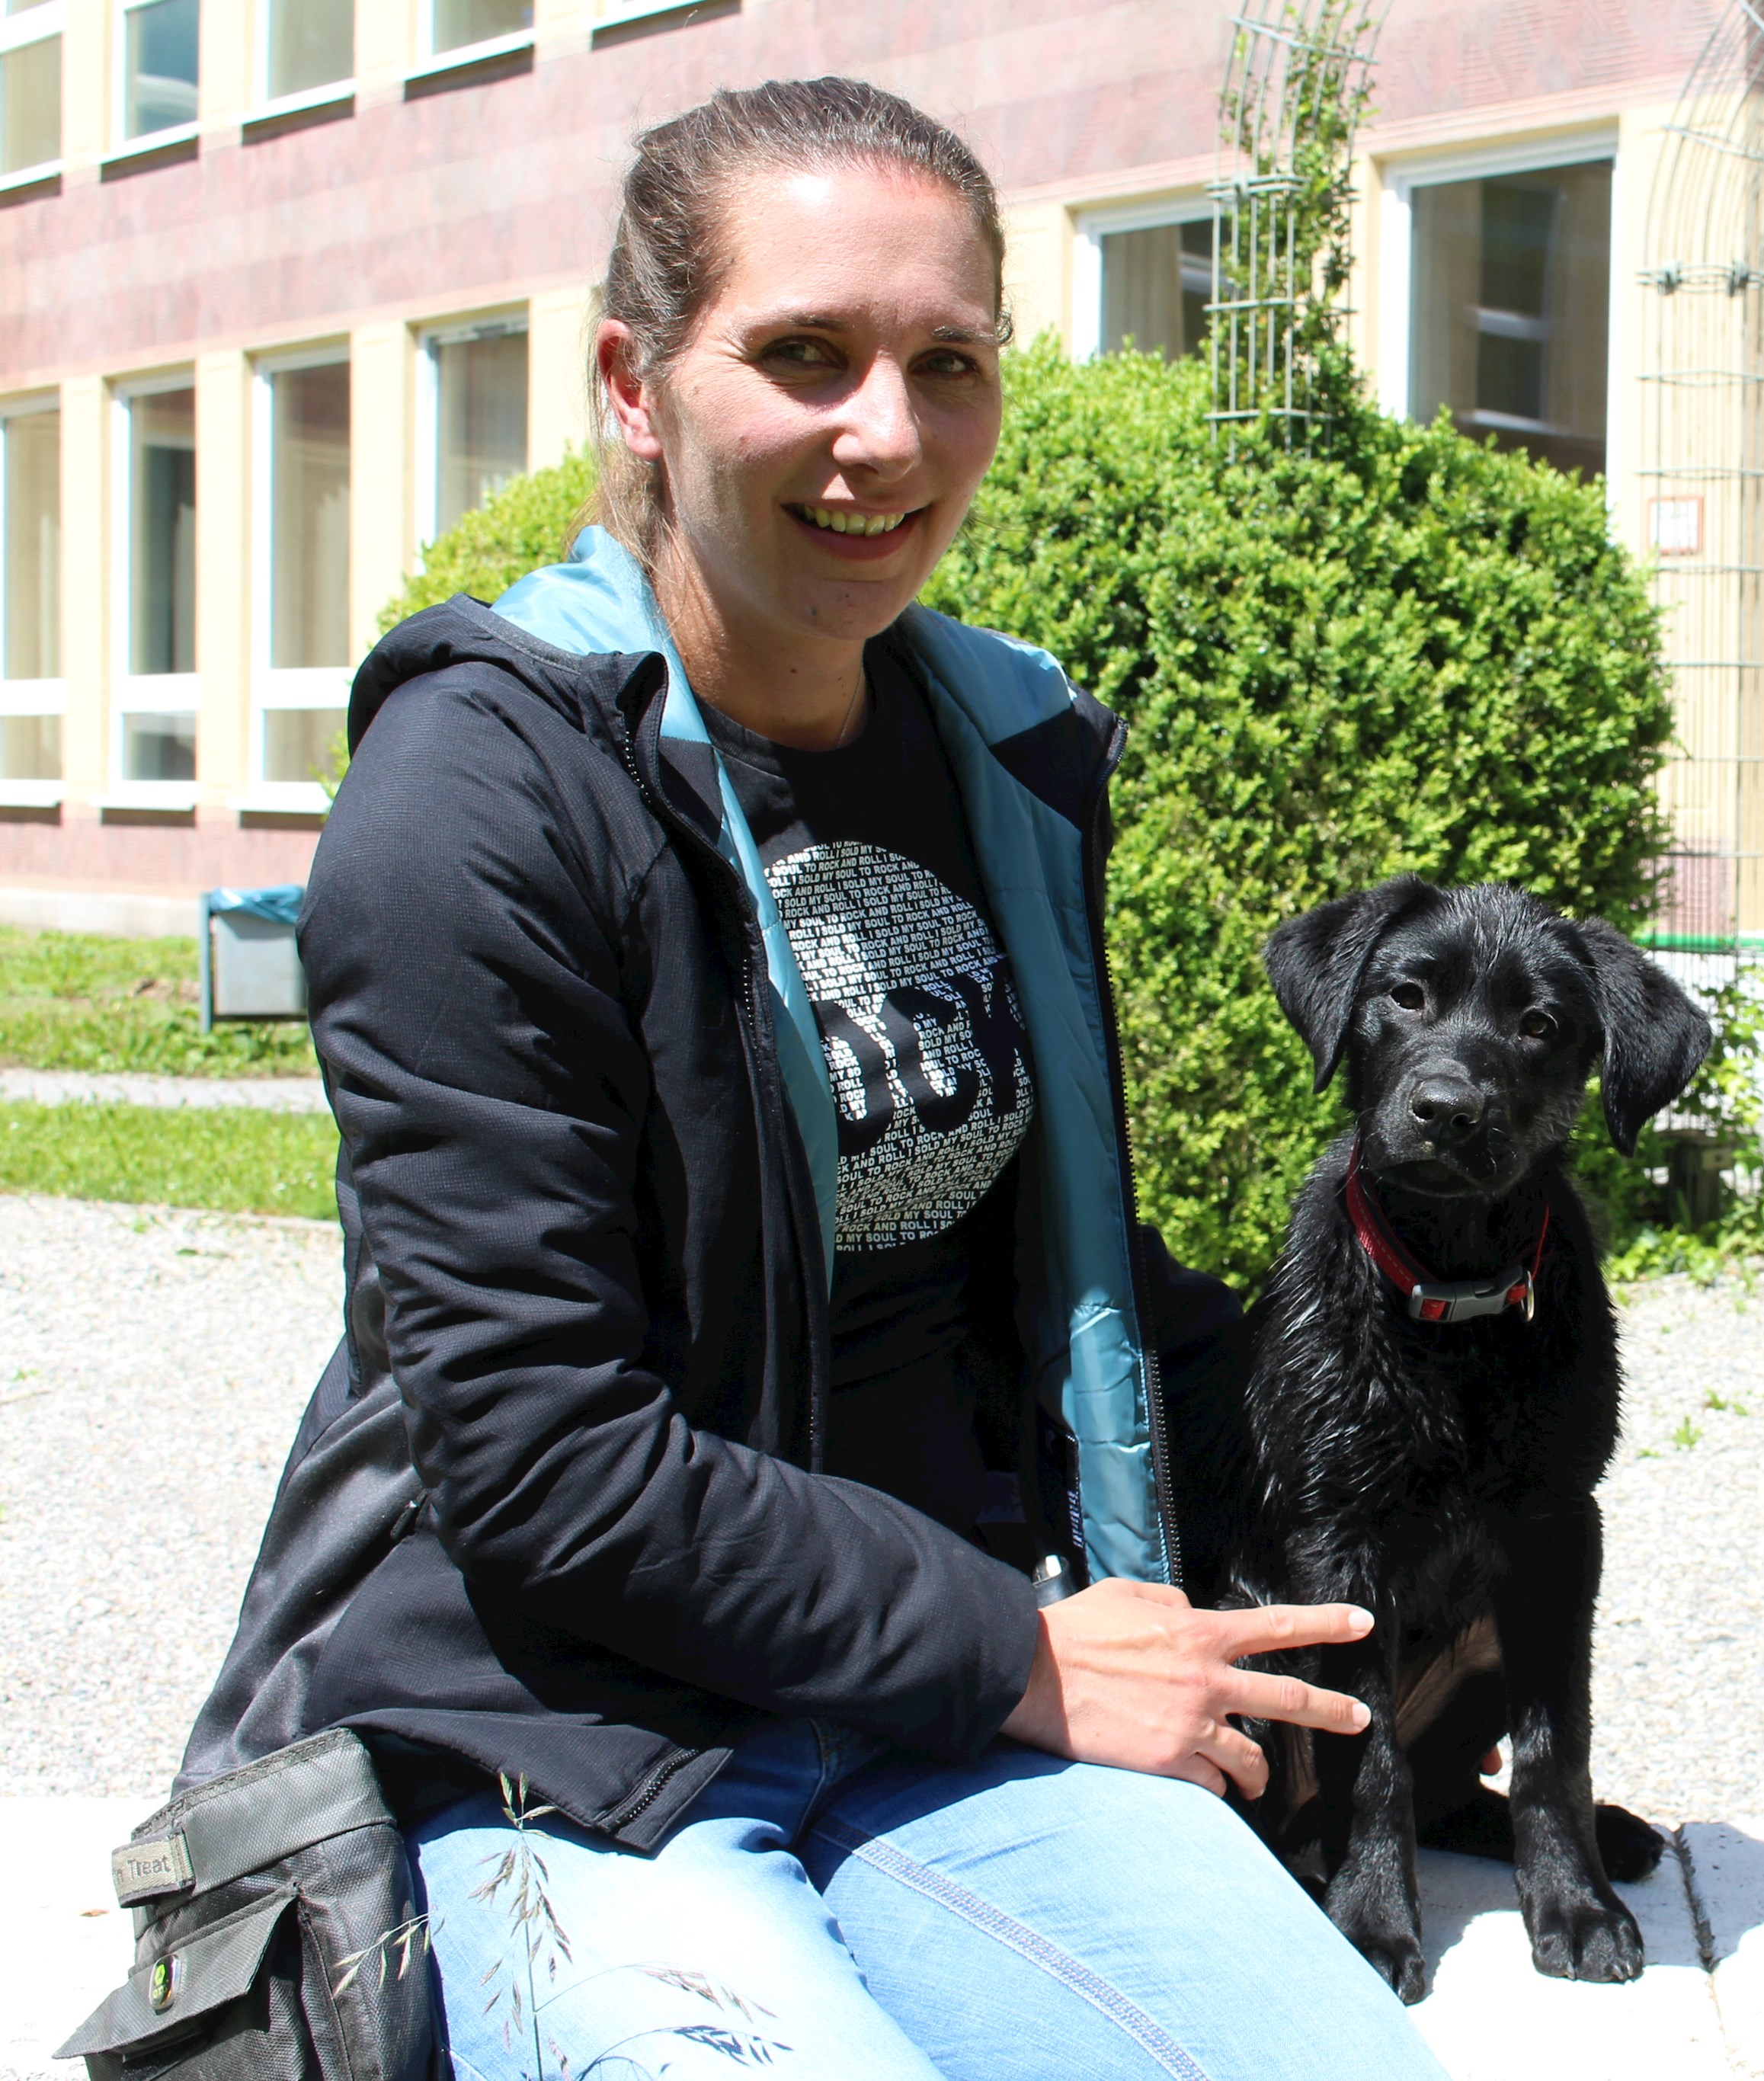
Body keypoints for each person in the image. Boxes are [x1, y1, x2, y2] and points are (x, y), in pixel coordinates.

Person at [177, 77, 1453, 2081]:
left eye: (948, 363)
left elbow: (1036, 1261)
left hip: (932, 1721)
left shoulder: (1003, 752)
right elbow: (539, 1456)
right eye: (806, 355)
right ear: (634, 378)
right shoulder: (481, 801)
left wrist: (1415, 1359)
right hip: (568, 1749)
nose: (888, 434)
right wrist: (1019, 1648)